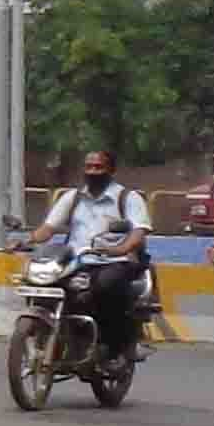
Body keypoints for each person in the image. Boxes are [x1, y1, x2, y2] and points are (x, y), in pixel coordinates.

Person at [29, 147, 155, 350]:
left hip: (113, 261)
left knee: (105, 287)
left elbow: (139, 231)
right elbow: (48, 228)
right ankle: (59, 334)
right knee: (45, 285)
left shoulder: (128, 198)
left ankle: (114, 345)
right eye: (89, 167)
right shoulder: (73, 197)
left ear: (111, 171)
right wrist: (26, 241)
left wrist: (121, 249)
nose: (93, 172)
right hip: (76, 261)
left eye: (98, 167)